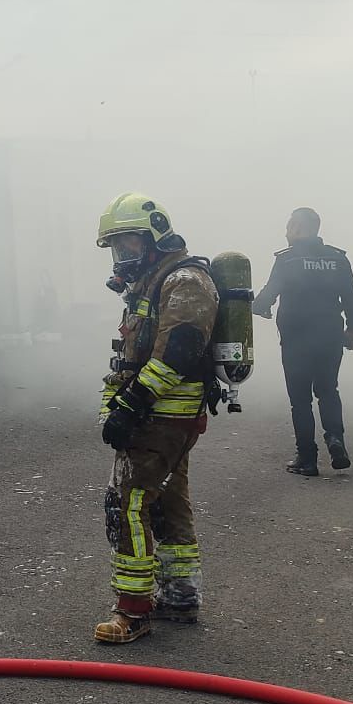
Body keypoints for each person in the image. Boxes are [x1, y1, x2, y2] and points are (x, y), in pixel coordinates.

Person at [93, 193, 219, 646]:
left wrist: (131, 405)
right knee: (169, 501)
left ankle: (133, 610)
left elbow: (178, 353)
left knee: (127, 504)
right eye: (116, 246)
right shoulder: (155, 281)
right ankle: (180, 596)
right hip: (164, 414)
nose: (121, 255)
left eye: (128, 243)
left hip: (163, 414)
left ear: (155, 237)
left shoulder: (185, 280)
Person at [253, 207, 353, 476]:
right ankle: (335, 440)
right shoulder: (337, 258)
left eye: (289, 226)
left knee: (300, 400)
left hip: (296, 340)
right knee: (328, 390)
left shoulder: (287, 260)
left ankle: (307, 459)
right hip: (330, 336)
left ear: (298, 228)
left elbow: (268, 294)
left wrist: (258, 307)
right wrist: (352, 329)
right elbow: (351, 297)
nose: (286, 232)